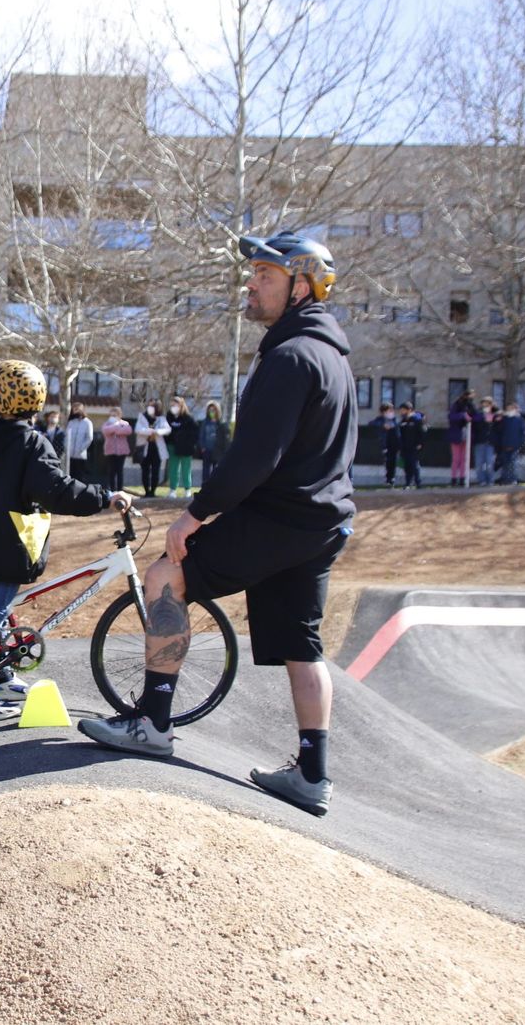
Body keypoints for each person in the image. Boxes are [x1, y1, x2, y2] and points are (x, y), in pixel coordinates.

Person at [78, 231, 355, 819]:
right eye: (253, 274)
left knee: (163, 579)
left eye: (265, 277)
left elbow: (253, 458)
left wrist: (194, 516)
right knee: (303, 646)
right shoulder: (332, 358)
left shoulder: (290, 357)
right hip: (321, 523)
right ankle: (313, 773)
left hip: (279, 517)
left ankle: (152, 723)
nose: (250, 285)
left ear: (301, 287)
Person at [0, 360, 133, 722]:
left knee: (0, 611)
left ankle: (1, 676)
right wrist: (105, 496)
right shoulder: (30, 442)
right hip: (9, 541)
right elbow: (57, 491)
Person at [133, 400, 169, 497]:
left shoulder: (161, 419)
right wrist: (150, 431)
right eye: (149, 406)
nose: (150, 408)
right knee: (145, 471)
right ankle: (146, 491)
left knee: (155, 471)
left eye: (153, 406)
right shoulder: (142, 417)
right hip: (145, 448)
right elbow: (138, 429)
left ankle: (153, 492)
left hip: (156, 449)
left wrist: (157, 432)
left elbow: (167, 429)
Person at [165, 396, 198, 497]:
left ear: (181, 405)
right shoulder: (168, 417)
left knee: (186, 469)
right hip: (172, 447)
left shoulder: (189, 419)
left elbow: (194, 433)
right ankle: (172, 490)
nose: (173, 407)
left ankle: (187, 489)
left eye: (175, 405)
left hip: (185, 448)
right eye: (172, 405)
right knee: (173, 469)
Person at [495, 402, 525, 485]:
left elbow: (523, 433)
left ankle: (513, 479)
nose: (510, 410)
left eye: (511, 408)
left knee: (513, 464)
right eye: (508, 409)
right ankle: (504, 479)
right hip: (504, 446)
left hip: (514, 446)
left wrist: (518, 445)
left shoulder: (520, 420)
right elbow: (499, 431)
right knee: (505, 464)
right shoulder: (504, 420)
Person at [447, 390, 475, 487]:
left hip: (467, 434)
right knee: (456, 459)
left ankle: (463, 478)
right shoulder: (456, 405)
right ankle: (454, 479)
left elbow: (476, 416)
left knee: (465, 458)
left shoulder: (471, 406)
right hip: (457, 435)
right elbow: (451, 416)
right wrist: (462, 415)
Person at [101, 408, 133, 492]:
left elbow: (128, 430)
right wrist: (116, 427)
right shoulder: (107, 424)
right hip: (110, 451)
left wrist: (115, 428)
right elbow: (105, 431)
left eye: (115, 415)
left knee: (119, 471)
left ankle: (120, 490)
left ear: (119, 415)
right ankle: (112, 490)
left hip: (122, 452)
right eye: (111, 415)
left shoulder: (124, 423)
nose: (113, 417)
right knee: (111, 471)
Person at [367, 404, 398, 487]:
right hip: (385, 444)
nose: (391, 412)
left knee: (393, 462)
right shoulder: (380, 420)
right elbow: (371, 423)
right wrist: (382, 425)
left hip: (394, 444)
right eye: (389, 410)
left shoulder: (394, 420)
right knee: (387, 462)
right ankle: (388, 479)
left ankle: (392, 478)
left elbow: (397, 430)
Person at [396, 402, 425, 489]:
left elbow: (422, 432)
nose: (401, 412)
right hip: (405, 447)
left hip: (414, 446)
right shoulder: (403, 421)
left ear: (409, 410)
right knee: (407, 465)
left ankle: (418, 482)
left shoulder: (417, 420)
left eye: (403, 410)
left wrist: (420, 443)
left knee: (414, 464)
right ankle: (408, 483)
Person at [197, 401, 226, 486]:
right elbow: (201, 435)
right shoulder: (205, 422)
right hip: (207, 450)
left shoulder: (221, 423)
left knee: (216, 470)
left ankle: (215, 487)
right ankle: (205, 487)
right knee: (205, 471)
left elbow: (224, 437)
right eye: (210, 410)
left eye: (213, 410)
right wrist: (202, 447)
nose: (212, 412)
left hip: (217, 451)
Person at [472, 397, 496, 486]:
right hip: (479, 442)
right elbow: (475, 425)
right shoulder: (478, 415)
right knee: (479, 463)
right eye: (484, 403)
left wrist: (491, 421)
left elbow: (497, 428)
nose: (486, 405)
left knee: (490, 463)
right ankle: (481, 480)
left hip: (490, 443)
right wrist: (483, 419)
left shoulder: (495, 415)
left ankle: (490, 481)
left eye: (488, 403)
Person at [66, 404, 94, 482]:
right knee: (70, 475)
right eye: (74, 409)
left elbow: (89, 438)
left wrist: (81, 448)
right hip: (70, 455)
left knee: (80, 476)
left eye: (77, 409)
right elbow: (67, 435)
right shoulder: (71, 422)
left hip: (80, 455)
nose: (75, 411)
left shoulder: (88, 422)